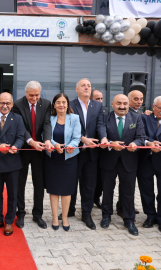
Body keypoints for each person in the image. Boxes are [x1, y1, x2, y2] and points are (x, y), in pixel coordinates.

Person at [99, 94, 145, 236]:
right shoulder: (105, 117)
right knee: (107, 190)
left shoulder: (136, 118)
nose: (122, 106)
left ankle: (129, 219)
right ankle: (106, 216)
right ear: (112, 104)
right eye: (118, 103)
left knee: (128, 191)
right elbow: (102, 132)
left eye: (125, 103)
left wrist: (135, 144)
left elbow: (141, 137)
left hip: (129, 161)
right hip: (109, 159)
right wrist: (109, 143)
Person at [12, 81, 53, 229]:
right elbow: (20, 126)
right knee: (20, 182)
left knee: (39, 183)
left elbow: (47, 123)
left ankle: (38, 214)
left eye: (37, 95)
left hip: (39, 150)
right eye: (31, 95)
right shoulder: (17, 105)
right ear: (26, 93)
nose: (35, 98)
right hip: (23, 149)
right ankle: (21, 213)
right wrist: (31, 141)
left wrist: (47, 140)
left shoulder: (46, 103)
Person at [67, 78, 107, 230]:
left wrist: (103, 138)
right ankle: (69, 210)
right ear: (77, 89)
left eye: (89, 86)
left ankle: (86, 213)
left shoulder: (97, 105)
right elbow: (68, 127)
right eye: (83, 85)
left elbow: (101, 125)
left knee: (89, 184)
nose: (86, 88)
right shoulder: (70, 104)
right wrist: (82, 139)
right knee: (71, 182)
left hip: (91, 153)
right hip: (74, 151)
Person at [0, 92, 25, 236]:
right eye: (2, 103)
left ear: (12, 104)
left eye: (8, 103)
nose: (5, 106)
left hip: (12, 162)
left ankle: (9, 221)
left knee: (13, 194)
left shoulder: (18, 119)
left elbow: (21, 137)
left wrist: (16, 146)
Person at [137, 96, 161, 233]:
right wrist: (149, 143)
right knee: (146, 190)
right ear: (153, 107)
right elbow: (140, 134)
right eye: (160, 107)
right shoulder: (144, 118)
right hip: (146, 160)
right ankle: (150, 216)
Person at [45, 93, 81, 231]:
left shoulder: (75, 118)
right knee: (53, 190)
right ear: (54, 104)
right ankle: (55, 217)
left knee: (66, 190)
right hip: (53, 158)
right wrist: (55, 144)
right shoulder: (49, 118)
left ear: (67, 104)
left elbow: (77, 137)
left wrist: (71, 145)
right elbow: (45, 135)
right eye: (58, 102)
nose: (61, 105)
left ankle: (64, 217)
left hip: (69, 158)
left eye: (63, 102)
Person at [90, 89, 108, 209]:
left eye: (101, 98)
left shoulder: (105, 111)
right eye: (98, 99)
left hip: (102, 150)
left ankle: (96, 198)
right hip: (87, 148)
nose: (100, 101)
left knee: (99, 179)